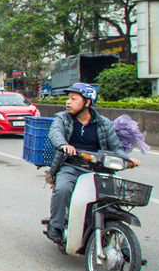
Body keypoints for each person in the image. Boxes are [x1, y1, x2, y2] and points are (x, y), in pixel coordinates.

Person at [45, 82, 139, 241]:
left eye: (74, 99)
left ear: (87, 102)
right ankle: (55, 225)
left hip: (99, 169)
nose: (68, 102)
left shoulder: (103, 123)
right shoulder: (62, 118)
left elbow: (115, 147)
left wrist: (128, 159)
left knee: (114, 198)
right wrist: (63, 145)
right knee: (62, 190)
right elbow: (55, 133)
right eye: (68, 99)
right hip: (71, 166)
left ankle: (123, 242)